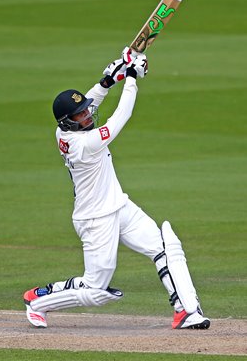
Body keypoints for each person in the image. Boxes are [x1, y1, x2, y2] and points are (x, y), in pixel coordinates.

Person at [24, 48, 210, 330]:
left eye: (85, 110)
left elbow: (93, 102)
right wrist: (132, 77)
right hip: (95, 218)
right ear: (68, 122)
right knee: (96, 291)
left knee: (162, 247)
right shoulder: (85, 145)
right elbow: (120, 117)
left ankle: (185, 311)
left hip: (118, 206)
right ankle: (38, 301)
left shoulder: (64, 131)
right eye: (80, 115)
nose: (87, 115)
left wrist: (108, 80)